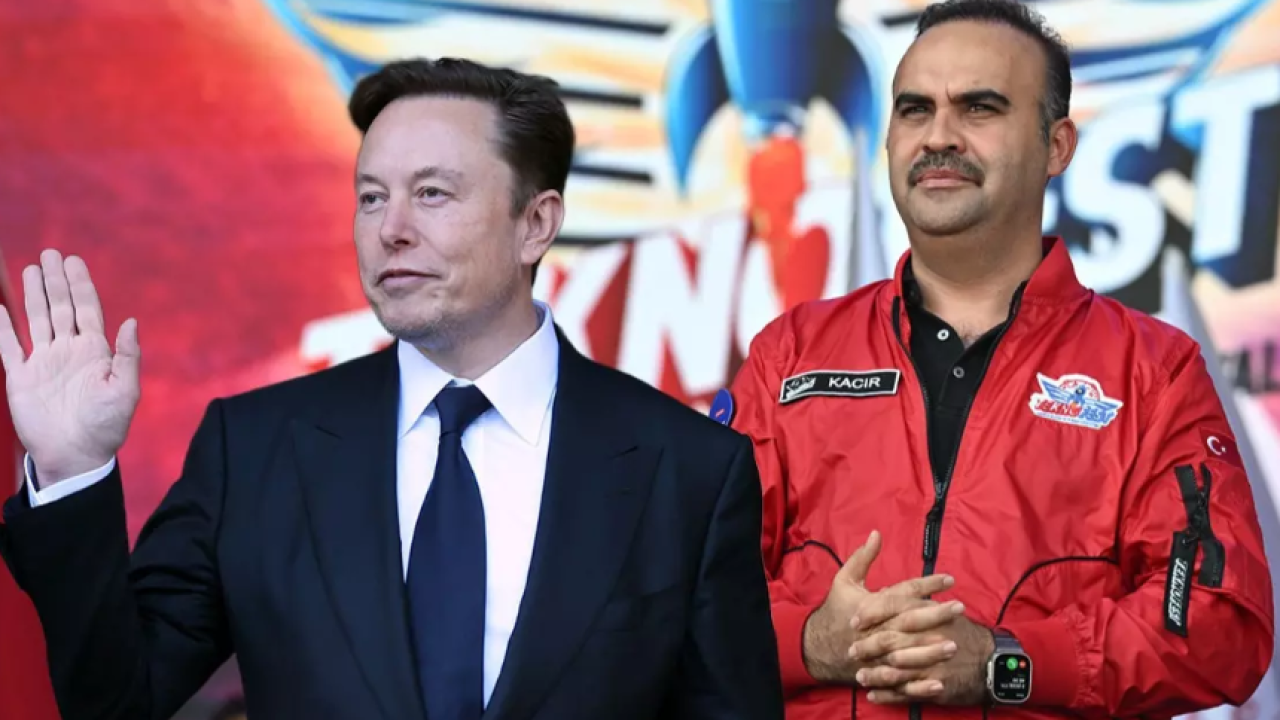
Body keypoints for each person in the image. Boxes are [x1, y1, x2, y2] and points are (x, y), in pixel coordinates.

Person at [0, 57, 784, 720]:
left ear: (536, 224)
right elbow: (117, 701)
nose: (390, 228)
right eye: (372, 196)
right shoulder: (255, 449)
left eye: (432, 193)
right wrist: (73, 470)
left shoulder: (688, 469)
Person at [720, 1, 1275, 718]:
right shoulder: (788, 358)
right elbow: (681, 594)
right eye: (915, 110)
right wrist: (812, 642)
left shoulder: (1152, 373)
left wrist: (1005, 662)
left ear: (1057, 146)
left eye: (979, 108)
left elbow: (1217, 621)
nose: (938, 137)